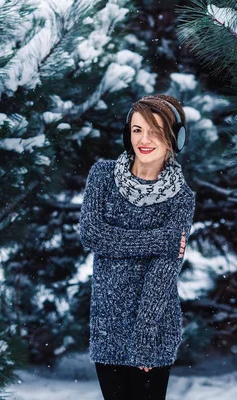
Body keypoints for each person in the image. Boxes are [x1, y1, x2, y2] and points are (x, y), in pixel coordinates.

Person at [79, 94, 196, 400]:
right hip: (107, 325)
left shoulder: (181, 198)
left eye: (156, 131)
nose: (144, 140)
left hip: (153, 326)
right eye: (137, 129)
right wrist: (160, 240)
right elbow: (92, 235)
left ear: (175, 138)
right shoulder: (102, 176)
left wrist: (144, 340)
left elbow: (164, 271)